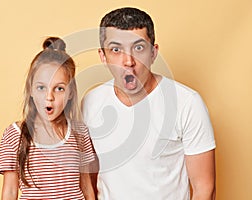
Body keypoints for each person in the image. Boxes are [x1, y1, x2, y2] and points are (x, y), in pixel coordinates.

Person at [82, 7, 216, 200]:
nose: (128, 61)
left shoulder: (187, 103)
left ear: (153, 53)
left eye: (138, 48)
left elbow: (205, 188)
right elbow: (89, 177)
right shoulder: (90, 102)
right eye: (116, 50)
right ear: (103, 56)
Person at [0, 37, 96, 200]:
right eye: (41, 88)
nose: (49, 97)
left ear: (70, 92)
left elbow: (86, 186)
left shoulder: (80, 132)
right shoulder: (14, 135)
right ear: (31, 90)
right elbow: (10, 191)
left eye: (59, 88)